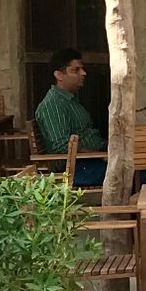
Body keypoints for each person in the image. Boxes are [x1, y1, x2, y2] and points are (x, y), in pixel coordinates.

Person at [34, 47, 106, 188]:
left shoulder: (69, 100)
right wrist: (99, 155)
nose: (83, 73)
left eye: (82, 69)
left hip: (92, 160)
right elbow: (62, 146)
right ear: (59, 75)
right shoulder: (53, 105)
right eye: (76, 70)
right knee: (135, 171)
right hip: (76, 169)